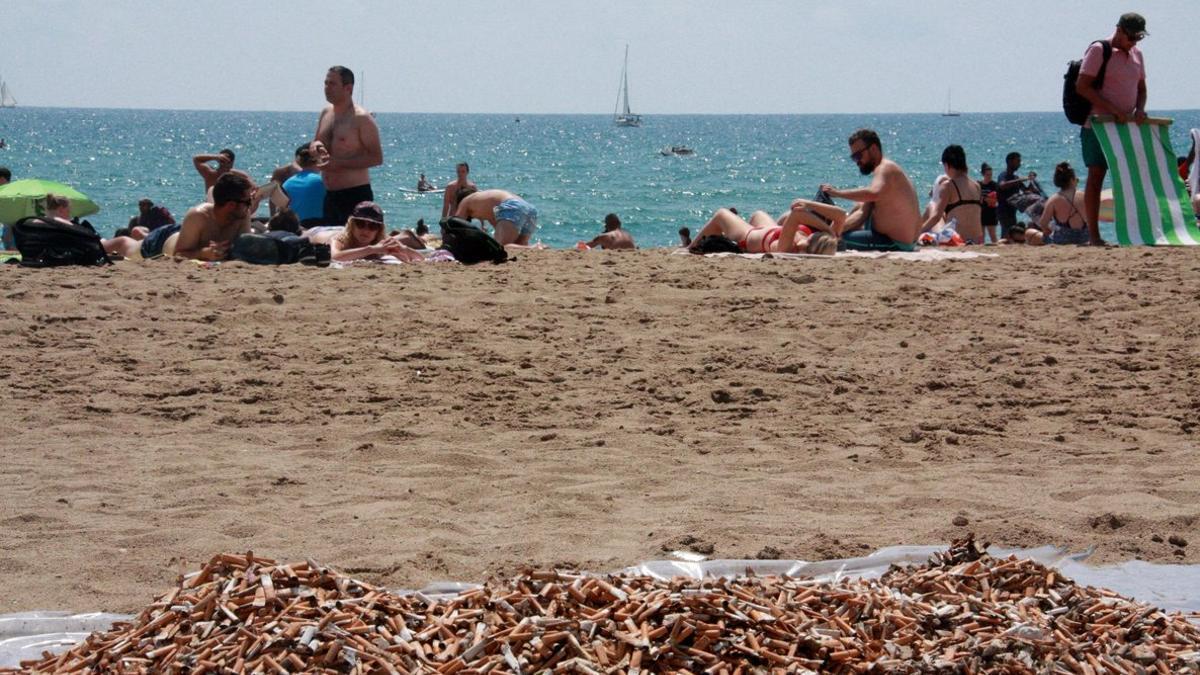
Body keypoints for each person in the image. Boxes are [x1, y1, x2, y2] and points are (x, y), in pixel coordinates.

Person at [1076, 12, 1148, 246]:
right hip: (1097, 125)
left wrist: (1139, 109)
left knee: (1128, 177)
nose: (1134, 42)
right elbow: (1082, 86)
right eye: (1131, 37)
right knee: (1096, 175)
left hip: (1124, 126)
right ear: (1119, 30)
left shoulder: (1137, 54)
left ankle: (1134, 233)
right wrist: (1112, 109)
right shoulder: (1099, 50)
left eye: (1138, 38)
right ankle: (1094, 236)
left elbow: (1141, 88)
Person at [819, 128, 921, 251]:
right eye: (854, 158)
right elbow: (862, 213)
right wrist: (833, 230)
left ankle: (831, 233)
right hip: (894, 238)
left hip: (895, 243)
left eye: (858, 156)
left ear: (873, 149)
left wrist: (837, 193)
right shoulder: (886, 171)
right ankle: (832, 231)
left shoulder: (885, 169)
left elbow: (874, 194)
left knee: (832, 242)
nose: (857, 162)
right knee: (860, 206)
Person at [314, 65, 383, 228]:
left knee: (352, 247)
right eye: (325, 83)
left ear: (348, 88)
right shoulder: (326, 113)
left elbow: (376, 158)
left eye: (332, 84)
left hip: (354, 194)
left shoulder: (361, 118)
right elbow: (316, 141)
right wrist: (316, 148)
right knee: (331, 247)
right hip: (330, 195)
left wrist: (339, 164)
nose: (327, 88)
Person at [170, 172, 257, 261]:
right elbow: (177, 254)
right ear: (231, 205)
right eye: (248, 202)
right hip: (166, 238)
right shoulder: (198, 216)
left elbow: (245, 250)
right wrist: (203, 253)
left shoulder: (242, 216)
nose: (250, 205)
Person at [689, 203, 839, 255]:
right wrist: (831, 232)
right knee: (758, 214)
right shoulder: (805, 240)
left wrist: (827, 229)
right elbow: (840, 215)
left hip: (747, 237)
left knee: (721, 214)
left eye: (817, 234)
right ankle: (732, 223)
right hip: (769, 230)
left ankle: (690, 246)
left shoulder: (787, 247)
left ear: (812, 241)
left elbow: (797, 214)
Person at [919, 145, 983, 244]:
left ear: (947, 165)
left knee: (931, 207)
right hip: (978, 240)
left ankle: (915, 233)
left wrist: (920, 231)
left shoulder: (948, 185)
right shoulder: (977, 185)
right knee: (945, 215)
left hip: (956, 240)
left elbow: (936, 217)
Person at [329, 201, 423, 263]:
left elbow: (420, 259)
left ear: (379, 230)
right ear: (352, 225)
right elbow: (335, 257)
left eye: (373, 226)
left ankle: (404, 236)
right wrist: (371, 249)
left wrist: (403, 249)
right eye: (360, 223)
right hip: (324, 232)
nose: (366, 230)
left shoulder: (381, 242)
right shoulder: (341, 238)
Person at [453, 189, 544, 247]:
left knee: (502, 247)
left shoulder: (464, 201)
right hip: (530, 209)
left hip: (512, 206)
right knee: (520, 245)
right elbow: (498, 227)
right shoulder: (484, 202)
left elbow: (456, 224)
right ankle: (535, 248)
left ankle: (535, 247)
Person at [1031, 162, 1090, 246]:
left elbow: (1043, 223)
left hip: (1063, 240)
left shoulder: (1054, 199)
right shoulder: (1084, 196)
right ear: (1072, 180)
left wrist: (1048, 231)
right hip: (1085, 237)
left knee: (1029, 233)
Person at [282, 143, 328, 229]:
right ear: (318, 160)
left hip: (295, 226)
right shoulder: (323, 181)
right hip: (319, 226)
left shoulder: (287, 183)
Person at [995, 153, 1035, 241]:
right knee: (1007, 234)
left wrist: (1031, 180)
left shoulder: (1015, 177)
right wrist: (1021, 179)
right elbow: (1002, 185)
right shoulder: (1003, 175)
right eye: (1018, 161)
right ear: (1010, 162)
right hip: (1003, 211)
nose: (1019, 164)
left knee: (1010, 234)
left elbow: (1026, 191)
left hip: (1012, 211)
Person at [979, 163, 1000, 243]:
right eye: (987, 175)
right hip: (981, 212)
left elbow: (997, 199)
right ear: (983, 174)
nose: (989, 176)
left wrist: (987, 199)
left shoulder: (994, 185)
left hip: (991, 212)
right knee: (981, 235)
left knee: (992, 235)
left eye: (991, 174)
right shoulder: (979, 185)